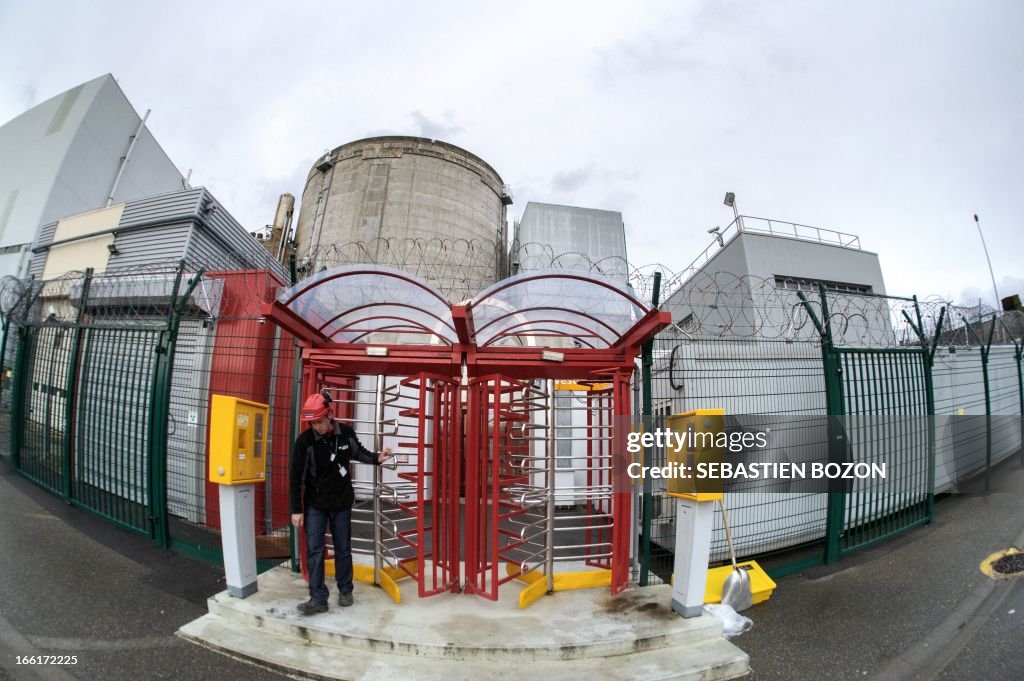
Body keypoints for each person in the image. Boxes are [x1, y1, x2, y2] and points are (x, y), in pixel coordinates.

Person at [289, 390, 392, 615]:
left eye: (320, 421)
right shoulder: (304, 442)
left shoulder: (345, 433)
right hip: (315, 504)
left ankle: (345, 590)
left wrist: (377, 458)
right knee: (315, 551)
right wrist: (297, 509)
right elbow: (296, 477)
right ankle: (318, 598)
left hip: (342, 503)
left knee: (343, 549)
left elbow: (359, 452)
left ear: (330, 414)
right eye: (313, 423)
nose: (317, 426)